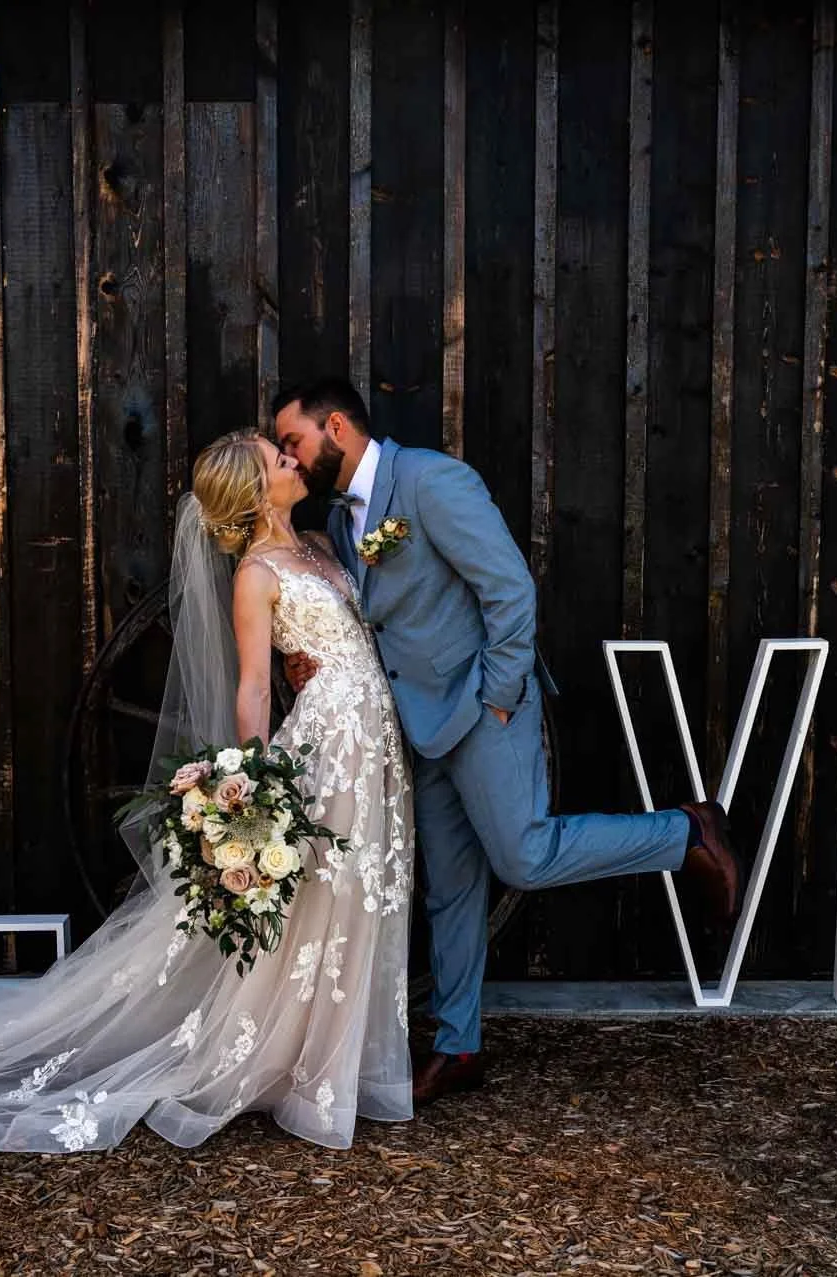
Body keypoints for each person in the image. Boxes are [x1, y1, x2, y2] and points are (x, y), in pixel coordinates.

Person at [0, 431, 413, 1152]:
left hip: (369, 745)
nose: (288, 457)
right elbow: (253, 686)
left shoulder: (317, 541)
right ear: (253, 492)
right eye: (272, 457)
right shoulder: (256, 573)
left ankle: (326, 1059)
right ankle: (299, 1071)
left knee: (352, 894)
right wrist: (249, 786)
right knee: (318, 893)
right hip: (326, 749)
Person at [272, 377, 747, 1106]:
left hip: (480, 708)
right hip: (419, 727)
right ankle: (457, 1044)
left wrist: (498, 696)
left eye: (294, 441)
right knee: (452, 889)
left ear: (336, 426)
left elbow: (509, 590)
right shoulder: (341, 522)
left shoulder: (430, 480)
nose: (290, 458)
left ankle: (683, 832)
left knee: (524, 855)